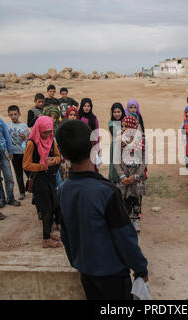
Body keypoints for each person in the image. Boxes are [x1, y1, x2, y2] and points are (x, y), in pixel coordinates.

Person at [55, 119, 149, 300]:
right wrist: (140, 268)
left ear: (63, 155)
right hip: (112, 275)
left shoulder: (63, 190)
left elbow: (66, 235)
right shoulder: (106, 192)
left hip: (86, 272)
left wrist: (78, 262)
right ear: (93, 145)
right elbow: (125, 237)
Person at [23, 116, 62, 248]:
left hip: (50, 177)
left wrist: (53, 161)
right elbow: (26, 165)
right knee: (46, 209)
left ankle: (48, 233)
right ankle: (46, 239)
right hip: (39, 179)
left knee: (53, 205)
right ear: (39, 130)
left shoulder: (51, 140)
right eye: (44, 132)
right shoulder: (31, 143)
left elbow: (58, 157)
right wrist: (42, 166)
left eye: (49, 132)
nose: (47, 135)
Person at [114, 115, 147, 233]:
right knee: (124, 197)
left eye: (126, 126)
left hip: (136, 174)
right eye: (122, 126)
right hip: (123, 173)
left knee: (136, 197)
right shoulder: (119, 140)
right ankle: (125, 220)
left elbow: (144, 160)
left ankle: (136, 219)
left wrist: (136, 176)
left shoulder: (141, 140)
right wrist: (122, 176)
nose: (123, 129)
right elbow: (116, 160)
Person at [7, 105, 29, 200]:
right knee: (18, 173)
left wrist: (25, 138)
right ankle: (22, 192)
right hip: (14, 153)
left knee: (29, 172)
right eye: (11, 115)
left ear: (19, 114)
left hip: (24, 152)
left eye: (15, 114)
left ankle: (33, 188)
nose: (13, 116)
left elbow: (29, 139)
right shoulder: (7, 126)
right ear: (8, 115)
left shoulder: (24, 126)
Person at [108, 103, 126, 183]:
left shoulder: (126, 121)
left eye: (119, 112)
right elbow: (114, 133)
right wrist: (123, 130)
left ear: (122, 112)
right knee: (115, 163)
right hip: (115, 146)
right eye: (115, 112)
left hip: (125, 147)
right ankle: (114, 181)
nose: (117, 114)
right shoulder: (111, 122)